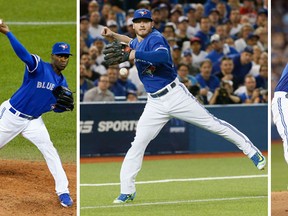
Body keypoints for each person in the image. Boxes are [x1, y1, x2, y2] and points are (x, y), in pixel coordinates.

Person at [101, 8, 266, 204]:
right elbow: (130, 41)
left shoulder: (156, 38)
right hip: (154, 102)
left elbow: (161, 57)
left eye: (146, 20)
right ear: (133, 24)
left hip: (175, 95)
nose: (142, 24)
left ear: (152, 23)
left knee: (213, 124)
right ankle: (127, 191)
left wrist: (134, 54)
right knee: (137, 144)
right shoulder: (138, 40)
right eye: (138, 21)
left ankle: (252, 151)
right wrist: (113, 35)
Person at [0, 21, 73, 207]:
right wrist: (8, 33)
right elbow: (24, 55)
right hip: (11, 116)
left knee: (50, 151)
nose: (63, 59)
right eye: (60, 56)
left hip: (34, 122)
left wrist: (59, 108)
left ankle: (63, 191)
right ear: (52, 56)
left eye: (66, 56)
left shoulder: (62, 83)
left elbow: (53, 107)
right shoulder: (39, 67)